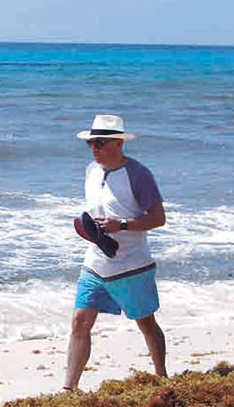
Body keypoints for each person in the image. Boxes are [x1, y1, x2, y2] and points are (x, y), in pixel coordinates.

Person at [63, 114, 167, 391]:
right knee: (79, 321)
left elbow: (158, 218)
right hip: (96, 260)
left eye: (100, 143)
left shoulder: (139, 174)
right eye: (91, 144)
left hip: (131, 264)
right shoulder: (91, 171)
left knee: (145, 322)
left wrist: (120, 225)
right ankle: (68, 389)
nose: (94, 148)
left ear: (118, 143)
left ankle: (162, 377)